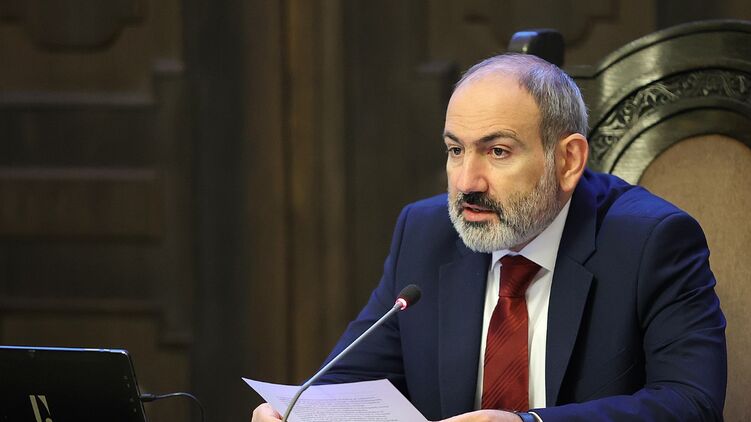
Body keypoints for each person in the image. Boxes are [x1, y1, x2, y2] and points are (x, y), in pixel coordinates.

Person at [251, 54, 726, 421]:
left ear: (568, 161)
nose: (466, 182)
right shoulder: (425, 233)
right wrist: (298, 413)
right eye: (455, 150)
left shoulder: (651, 242)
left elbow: (691, 403)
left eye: (497, 151)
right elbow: (350, 384)